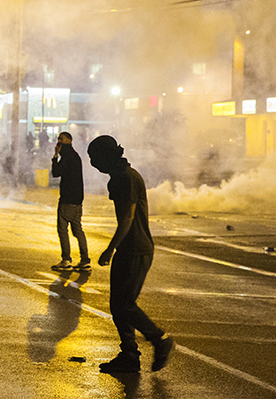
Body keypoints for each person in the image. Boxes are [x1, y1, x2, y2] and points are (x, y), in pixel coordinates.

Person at [87, 135, 174, 374]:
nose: (93, 164)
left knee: (125, 304)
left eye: (95, 158)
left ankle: (160, 339)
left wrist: (110, 248)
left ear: (106, 156)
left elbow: (127, 217)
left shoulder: (126, 178)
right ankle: (129, 355)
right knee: (118, 305)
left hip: (136, 249)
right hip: (129, 248)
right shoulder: (119, 177)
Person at [50, 132, 89, 271]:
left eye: (61, 139)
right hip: (77, 200)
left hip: (67, 199)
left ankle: (66, 260)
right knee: (78, 230)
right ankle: (85, 260)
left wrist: (55, 156)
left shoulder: (67, 157)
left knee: (63, 230)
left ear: (68, 141)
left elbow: (56, 172)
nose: (58, 142)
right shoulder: (75, 156)